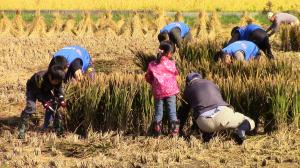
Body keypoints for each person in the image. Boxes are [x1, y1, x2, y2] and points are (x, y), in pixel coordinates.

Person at [178, 72, 255, 144]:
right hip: (223, 116)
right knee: (250, 121)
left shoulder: (187, 90)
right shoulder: (211, 83)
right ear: (200, 78)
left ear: (188, 83)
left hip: (204, 122)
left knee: (203, 118)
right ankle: (240, 130)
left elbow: (184, 112)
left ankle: (207, 138)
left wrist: (179, 129)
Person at [18, 65, 66, 139]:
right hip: (33, 90)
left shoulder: (57, 79)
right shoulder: (40, 77)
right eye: (56, 81)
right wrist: (45, 101)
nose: (57, 83)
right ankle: (22, 129)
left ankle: (57, 129)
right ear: (50, 76)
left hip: (45, 90)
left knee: (54, 106)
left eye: (58, 81)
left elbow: (58, 90)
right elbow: (38, 93)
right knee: (31, 107)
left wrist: (61, 98)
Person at [145, 40, 180, 136]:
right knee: (172, 112)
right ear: (169, 53)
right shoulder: (172, 64)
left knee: (158, 113)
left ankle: (157, 132)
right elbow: (176, 74)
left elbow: (148, 77)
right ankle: (174, 132)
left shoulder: (152, 64)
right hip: (171, 91)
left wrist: (154, 84)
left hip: (158, 92)